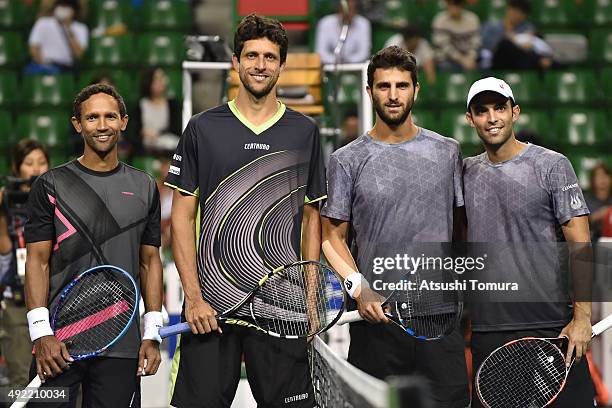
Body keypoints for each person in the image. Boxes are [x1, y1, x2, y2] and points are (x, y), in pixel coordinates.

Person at [165, 14, 326, 408]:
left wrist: (309, 298)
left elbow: (311, 220)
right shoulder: (202, 128)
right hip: (212, 307)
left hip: (282, 307)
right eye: (251, 55)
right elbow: (181, 218)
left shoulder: (304, 132)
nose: (260, 65)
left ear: (282, 64)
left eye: (270, 57)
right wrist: (193, 297)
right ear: (235, 62)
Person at [321, 46, 469, 408]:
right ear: (369, 91)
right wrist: (360, 289)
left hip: (439, 320)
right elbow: (330, 237)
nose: (392, 95)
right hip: (377, 321)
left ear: (416, 90)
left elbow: (462, 230)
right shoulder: (346, 160)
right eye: (383, 86)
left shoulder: (447, 151)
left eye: (401, 85)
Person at [24, 84, 163, 407]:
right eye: (92, 118)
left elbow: (150, 261)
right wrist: (41, 333)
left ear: (124, 121)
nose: (102, 126)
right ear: (77, 124)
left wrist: (151, 332)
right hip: (57, 344)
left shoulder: (144, 186)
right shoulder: (50, 185)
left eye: (110, 117)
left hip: (121, 343)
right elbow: (37, 261)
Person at [463, 77, 595, 407]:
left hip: (552, 327)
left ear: (515, 112)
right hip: (489, 331)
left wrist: (582, 318)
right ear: (470, 119)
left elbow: (581, 245)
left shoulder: (553, 166)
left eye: (499, 108)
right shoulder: (463, 173)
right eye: (482, 111)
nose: (492, 118)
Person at [0, 140, 50, 391]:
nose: (36, 169)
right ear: (16, 168)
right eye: (29, 163)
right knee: (22, 383)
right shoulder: (6, 201)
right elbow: (4, 256)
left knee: (61, 384)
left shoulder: (58, 196)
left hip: (54, 298)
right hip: (18, 300)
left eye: (41, 162)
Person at [480, 0, 553, 70]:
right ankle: (539, 60)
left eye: (520, 13)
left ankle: (542, 61)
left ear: (524, 15)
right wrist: (511, 39)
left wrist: (527, 44)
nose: (516, 15)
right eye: (514, 11)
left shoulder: (528, 28)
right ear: (508, 10)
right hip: (496, 62)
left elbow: (534, 46)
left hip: (519, 63)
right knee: (506, 44)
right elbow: (486, 46)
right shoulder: (492, 26)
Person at [28, 0, 88, 73]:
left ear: (73, 10)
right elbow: (34, 47)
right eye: (61, 6)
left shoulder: (80, 28)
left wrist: (68, 30)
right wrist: (43, 64)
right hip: (42, 65)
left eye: (66, 7)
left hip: (64, 67)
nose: (63, 9)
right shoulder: (42, 23)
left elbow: (79, 54)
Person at [133, 66, 182, 154]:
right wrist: (143, 132)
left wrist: (159, 133)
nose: (162, 81)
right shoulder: (140, 105)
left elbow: (177, 129)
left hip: (168, 146)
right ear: (149, 82)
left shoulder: (172, 105)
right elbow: (134, 131)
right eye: (157, 79)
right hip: (145, 147)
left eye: (163, 77)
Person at [315, 0, 371, 64]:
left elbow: (364, 53)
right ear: (338, 10)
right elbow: (320, 52)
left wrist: (348, 61)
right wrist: (336, 60)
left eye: (351, 10)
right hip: (329, 67)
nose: (347, 14)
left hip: (355, 67)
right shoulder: (325, 23)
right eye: (343, 10)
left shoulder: (364, 24)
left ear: (356, 11)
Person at [432, 0, 480, 71]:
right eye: (451, 5)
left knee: (484, 63)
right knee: (444, 65)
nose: (454, 8)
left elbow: (476, 42)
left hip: (468, 56)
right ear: (447, 5)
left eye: (456, 5)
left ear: (462, 6)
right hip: (448, 58)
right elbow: (444, 46)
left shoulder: (472, 19)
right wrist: (462, 60)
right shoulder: (440, 20)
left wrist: (470, 57)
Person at [584, 164, 612, 242]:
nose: (602, 179)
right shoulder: (585, 199)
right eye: (598, 176)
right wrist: (601, 213)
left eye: (605, 175)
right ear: (592, 180)